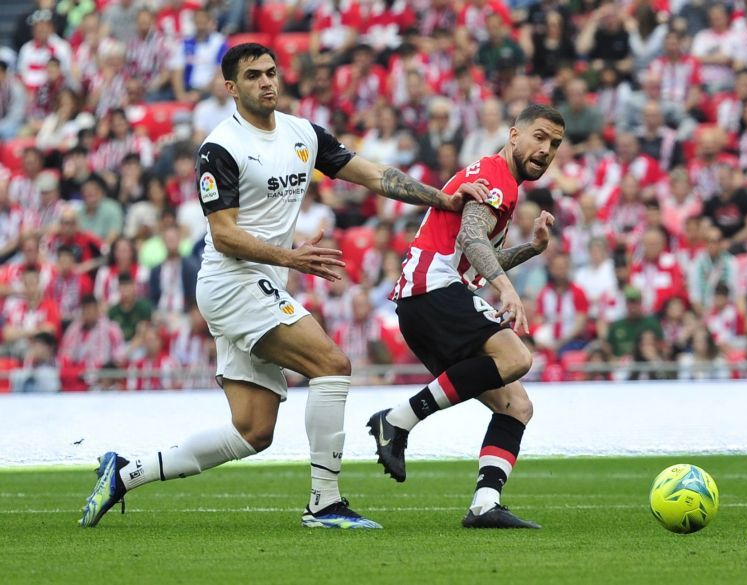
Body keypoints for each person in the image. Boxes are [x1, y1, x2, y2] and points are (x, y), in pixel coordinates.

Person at [79, 43, 490, 530]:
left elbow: (375, 175)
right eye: (253, 76)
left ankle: (125, 474)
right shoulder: (220, 147)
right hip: (232, 282)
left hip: (259, 280)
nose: (267, 82)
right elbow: (224, 234)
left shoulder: (303, 134)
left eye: (271, 72)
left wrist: (444, 197)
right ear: (231, 88)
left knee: (252, 432)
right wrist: (289, 257)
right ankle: (324, 504)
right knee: (332, 365)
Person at [366, 104, 565, 529]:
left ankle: (484, 505)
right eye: (540, 137)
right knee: (517, 358)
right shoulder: (496, 176)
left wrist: (531, 249)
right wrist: (507, 289)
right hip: (433, 292)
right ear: (514, 135)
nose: (547, 150)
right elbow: (470, 238)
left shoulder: (499, 180)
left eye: (555, 144)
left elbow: (478, 255)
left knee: (516, 405)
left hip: (426, 302)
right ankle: (397, 419)